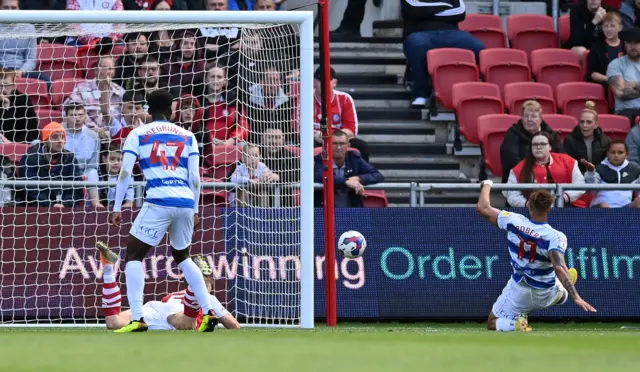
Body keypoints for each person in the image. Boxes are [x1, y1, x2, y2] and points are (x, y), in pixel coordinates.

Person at [109, 89, 217, 333]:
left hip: (158, 199)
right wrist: (196, 208)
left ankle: (138, 318)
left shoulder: (138, 133)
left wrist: (117, 206)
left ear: (147, 111)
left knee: (134, 256)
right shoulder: (188, 135)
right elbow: (196, 177)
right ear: (172, 111)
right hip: (186, 202)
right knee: (183, 257)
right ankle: (208, 313)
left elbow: (125, 172)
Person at [476, 181, 597, 332]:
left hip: (520, 290)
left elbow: (483, 208)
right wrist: (576, 297)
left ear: (529, 206)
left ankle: (515, 325)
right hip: (546, 293)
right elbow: (559, 266)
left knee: (493, 322)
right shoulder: (556, 237)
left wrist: (487, 184)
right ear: (550, 208)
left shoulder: (513, 221)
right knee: (561, 283)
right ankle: (564, 290)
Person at [96, 241, 240, 330]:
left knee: (113, 322)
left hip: (155, 307)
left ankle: (108, 268)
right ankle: (195, 277)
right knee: (187, 325)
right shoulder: (209, 298)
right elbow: (234, 325)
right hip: (175, 314)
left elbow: (165, 307)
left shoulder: (173, 296)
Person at [583, 140, 640, 207]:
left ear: (626, 155)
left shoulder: (634, 169)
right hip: (601, 208)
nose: (616, 155)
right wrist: (590, 172)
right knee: (604, 206)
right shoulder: (599, 168)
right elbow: (592, 193)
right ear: (608, 154)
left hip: (625, 209)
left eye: (620, 152)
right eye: (612, 152)